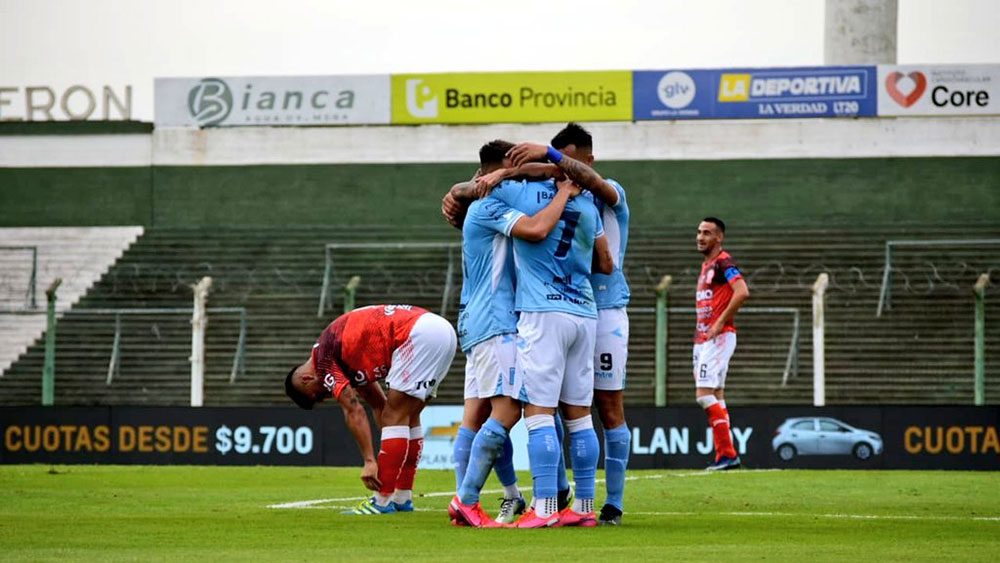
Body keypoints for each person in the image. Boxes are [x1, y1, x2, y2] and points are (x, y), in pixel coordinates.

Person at [445, 140, 585, 527]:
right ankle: (467, 500)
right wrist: (564, 195)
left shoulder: (484, 198)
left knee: (482, 413)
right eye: (517, 165)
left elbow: (546, 172)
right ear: (504, 165)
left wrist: (516, 172)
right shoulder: (490, 206)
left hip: (482, 320)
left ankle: (548, 493)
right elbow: (539, 230)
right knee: (509, 409)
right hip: (496, 322)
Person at [484, 147, 612, 528]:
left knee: (538, 412)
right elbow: (605, 262)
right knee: (580, 417)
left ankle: (545, 508)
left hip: (543, 313)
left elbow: (473, 191)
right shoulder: (589, 201)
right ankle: (585, 508)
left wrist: (502, 176)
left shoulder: (517, 194)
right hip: (584, 312)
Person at [284, 304, 457, 513]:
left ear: (306, 379)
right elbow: (377, 404)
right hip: (441, 331)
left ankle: (382, 501)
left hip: (416, 335)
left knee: (396, 415)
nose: (328, 394)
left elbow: (353, 408)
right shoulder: (345, 355)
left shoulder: (323, 360)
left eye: (319, 394)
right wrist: (388, 442)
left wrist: (369, 460)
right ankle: (402, 497)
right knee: (407, 416)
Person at [549, 123, 632, 526]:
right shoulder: (558, 197)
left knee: (608, 407)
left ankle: (613, 503)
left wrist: (553, 160)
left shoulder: (609, 193)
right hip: (566, 309)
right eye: (558, 160)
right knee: (559, 406)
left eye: (572, 161)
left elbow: (593, 183)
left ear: (589, 160)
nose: (565, 170)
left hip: (607, 314)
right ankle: (564, 490)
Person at [693, 218, 749, 470]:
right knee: (716, 395)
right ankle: (725, 456)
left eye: (707, 233)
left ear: (719, 238)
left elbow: (742, 291)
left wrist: (719, 323)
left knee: (703, 395)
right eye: (699, 232)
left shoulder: (724, 262)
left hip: (718, 335)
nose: (700, 237)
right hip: (705, 338)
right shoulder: (707, 266)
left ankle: (728, 454)